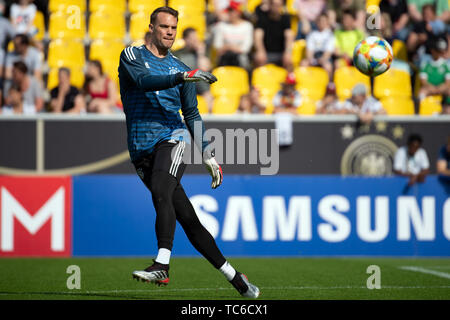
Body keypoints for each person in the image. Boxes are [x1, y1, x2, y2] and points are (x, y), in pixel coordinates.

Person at [118, 6, 259, 298]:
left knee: (160, 190)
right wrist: (182, 78)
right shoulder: (132, 56)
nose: (169, 32)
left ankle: (162, 265)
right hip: (140, 149)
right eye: (164, 27)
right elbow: (143, 83)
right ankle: (238, 280)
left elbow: (192, 113)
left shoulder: (181, 68)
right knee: (188, 219)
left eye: (173, 28)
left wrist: (207, 154)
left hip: (174, 137)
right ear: (152, 27)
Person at [173, 28, 213, 113]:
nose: (195, 40)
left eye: (196, 38)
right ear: (185, 39)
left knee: (205, 89)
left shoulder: (203, 52)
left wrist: (200, 53)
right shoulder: (177, 53)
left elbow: (204, 68)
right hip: (183, 81)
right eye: (192, 38)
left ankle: (210, 116)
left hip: (198, 82)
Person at [212, 1, 253, 70]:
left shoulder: (247, 26)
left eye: (232, 11)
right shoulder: (221, 26)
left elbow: (246, 48)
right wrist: (233, 48)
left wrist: (227, 47)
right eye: (229, 11)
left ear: (238, 12)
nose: (230, 13)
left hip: (240, 60)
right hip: (224, 59)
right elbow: (217, 46)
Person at [253, 0, 294, 69]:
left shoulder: (286, 18)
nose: (275, 7)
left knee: (289, 61)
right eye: (274, 4)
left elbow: (289, 36)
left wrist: (287, 52)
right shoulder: (262, 17)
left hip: (281, 54)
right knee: (258, 59)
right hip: (266, 53)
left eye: (278, 5)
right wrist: (260, 51)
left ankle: (288, 79)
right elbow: (258, 35)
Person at [302, 13, 334, 79]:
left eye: (323, 21)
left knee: (328, 67)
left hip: (325, 58)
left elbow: (328, 52)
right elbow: (309, 51)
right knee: (303, 64)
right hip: (314, 57)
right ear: (317, 22)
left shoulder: (330, 35)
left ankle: (329, 85)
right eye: (319, 21)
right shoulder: (312, 34)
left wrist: (322, 59)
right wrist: (311, 60)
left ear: (327, 22)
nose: (321, 23)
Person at [418, 37, 450, 106]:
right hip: (429, 88)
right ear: (433, 51)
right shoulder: (425, 63)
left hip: (442, 88)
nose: (441, 53)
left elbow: (447, 82)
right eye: (438, 51)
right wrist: (432, 88)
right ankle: (421, 112)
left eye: (442, 51)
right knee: (421, 92)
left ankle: (447, 110)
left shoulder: (446, 64)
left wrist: (440, 88)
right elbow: (423, 81)